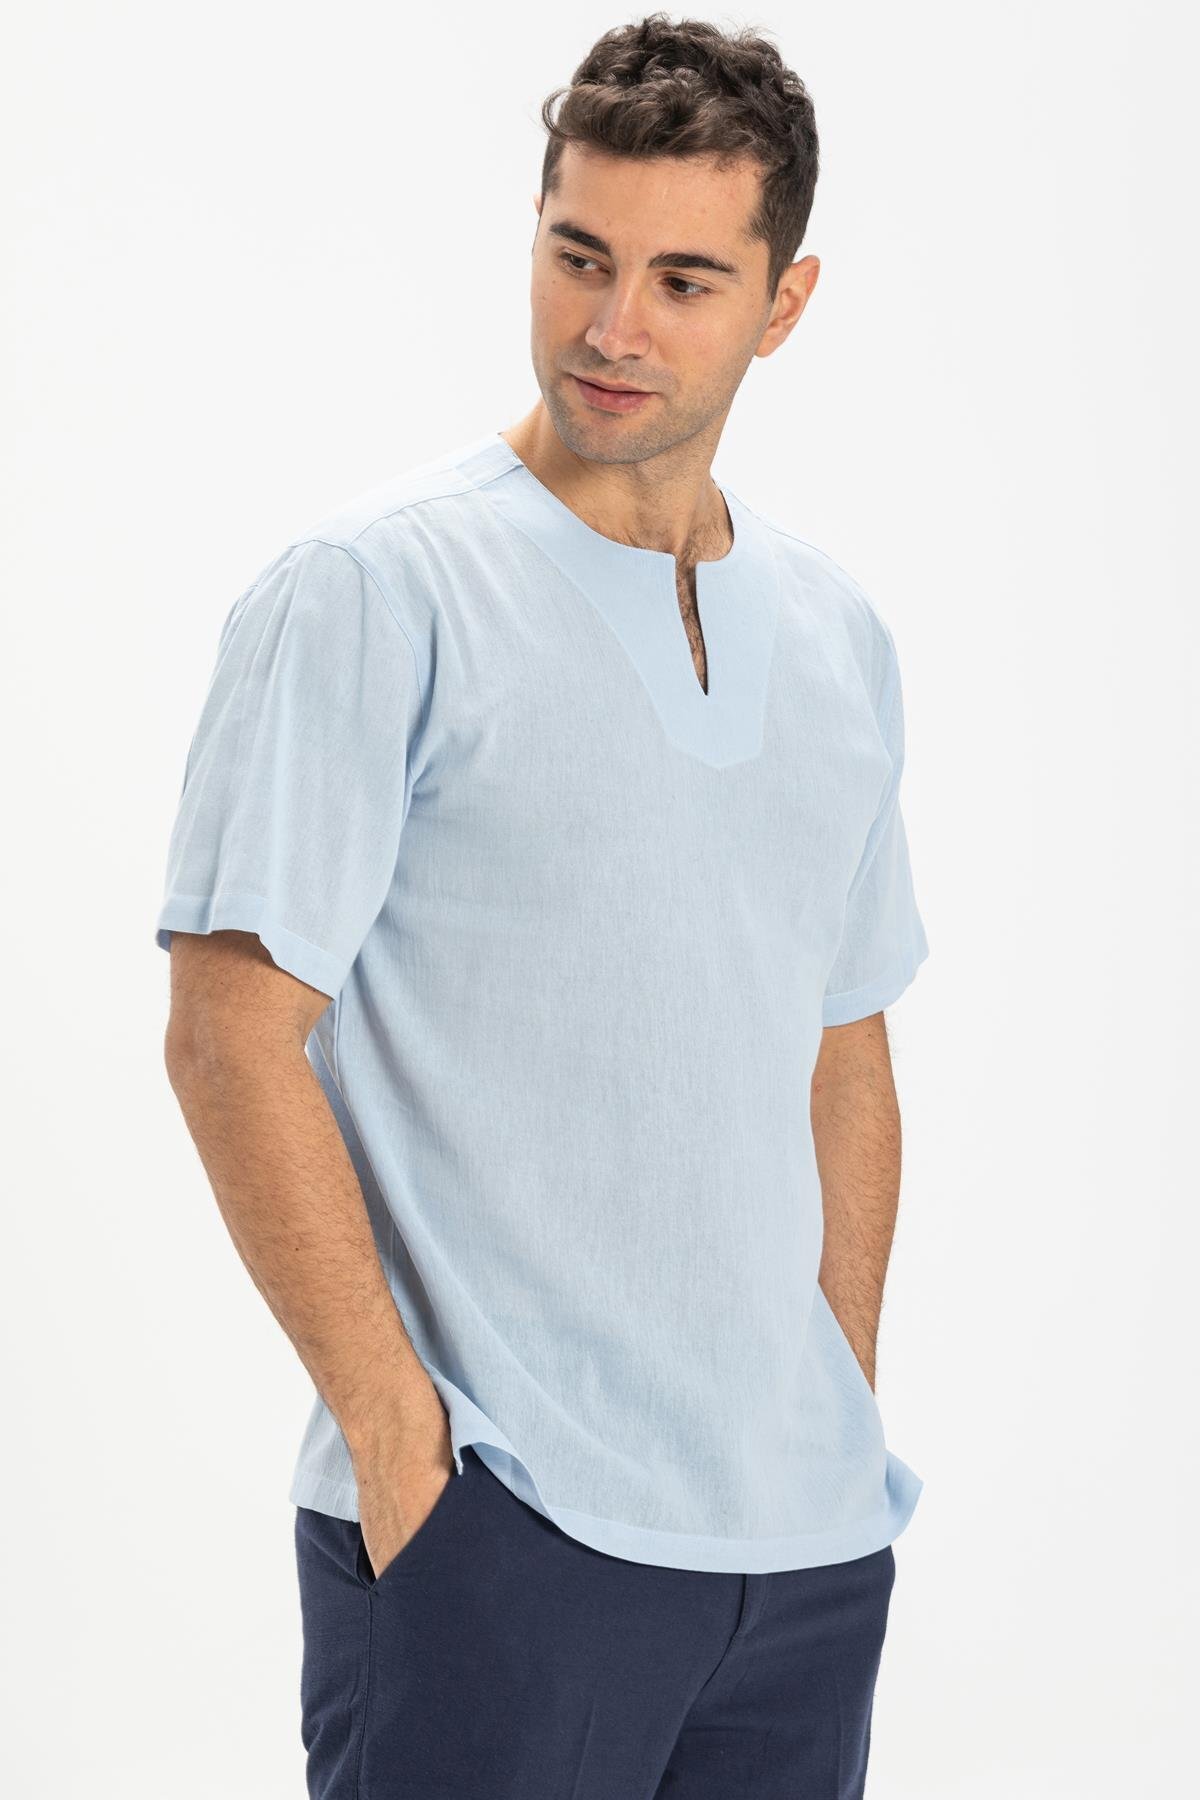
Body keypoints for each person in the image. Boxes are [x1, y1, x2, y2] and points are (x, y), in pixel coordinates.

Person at [155, 14, 931, 1797]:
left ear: (784, 303)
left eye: (683, 279)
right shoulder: (374, 592)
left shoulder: (838, 638)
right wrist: (402, 1446)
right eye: (580, 256)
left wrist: (834, 1403)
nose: (612, 326)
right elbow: (228, 1034)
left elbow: (844, 1045)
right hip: (500, 1537)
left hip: (800, 1558)